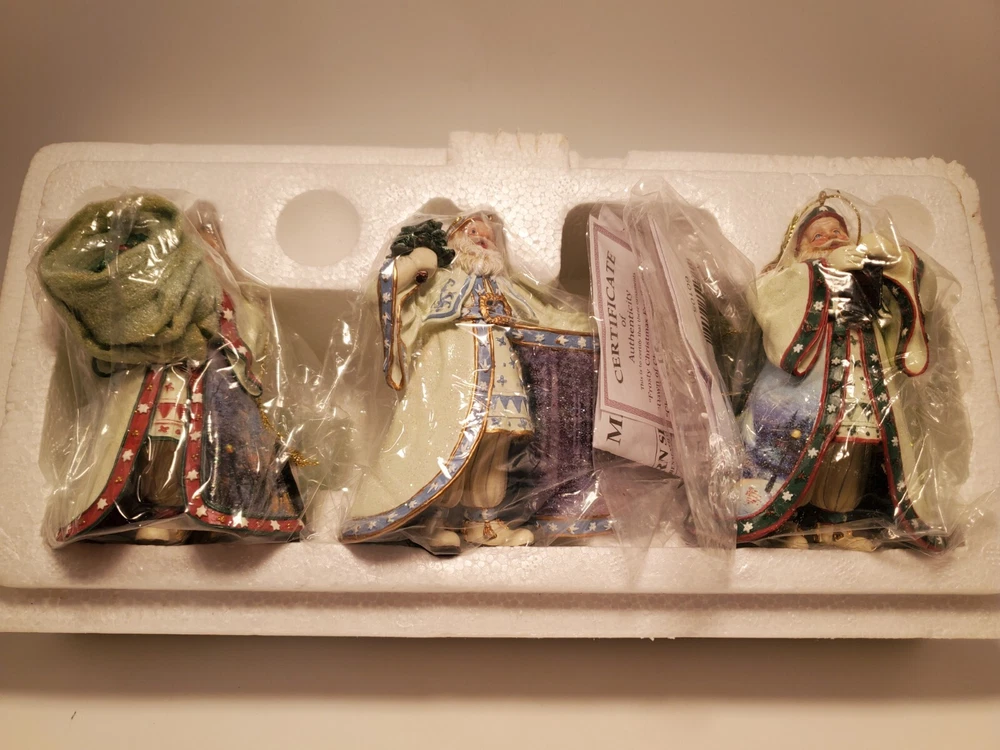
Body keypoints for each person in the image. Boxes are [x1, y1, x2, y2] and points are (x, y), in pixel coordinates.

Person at [341, 208, 598, 553]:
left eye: (488, 235)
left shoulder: (507, 286)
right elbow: (387, 292)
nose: (482, 238)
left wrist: (593, 323)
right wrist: (417, 260)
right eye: (473, 232)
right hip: (452, 376)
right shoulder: (440, 280)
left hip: (501, 379)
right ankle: (432, 521)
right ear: (454, 240)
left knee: (493, 449)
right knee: (446, 445)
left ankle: (484, 524)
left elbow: (545, 315)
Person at [734, 190, 951, 550]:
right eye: (818, 235)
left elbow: (914, 292)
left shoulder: (866, 275)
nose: (831, 239)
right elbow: (768, 297)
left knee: (851, 459)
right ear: (800, 247)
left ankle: (836, 524)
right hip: (802, 388)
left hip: (863, 384)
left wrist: (891, 259)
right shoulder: (792, 275)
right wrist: (823, 270)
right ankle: (784, 525)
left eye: (838, 232)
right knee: (795, 451)